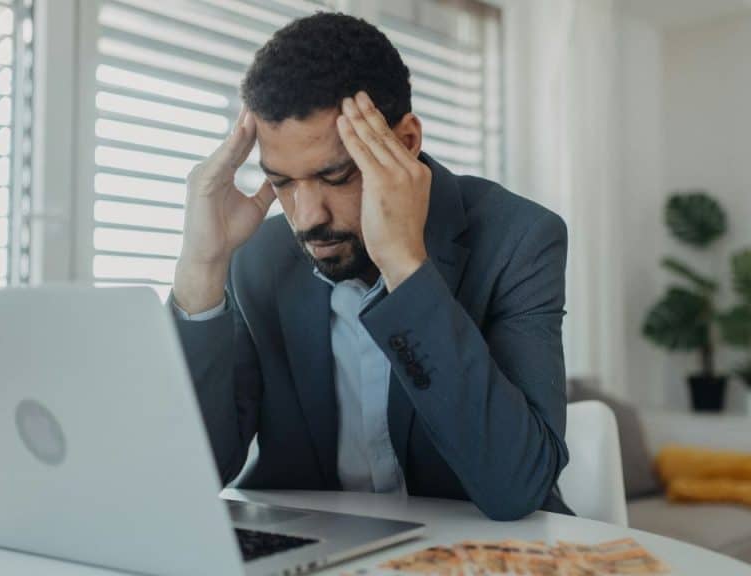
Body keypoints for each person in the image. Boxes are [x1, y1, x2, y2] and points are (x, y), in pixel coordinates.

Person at [169, 12, 570, 521]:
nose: (307, 217)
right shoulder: (257, 259)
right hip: (315, 551)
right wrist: (203, 269)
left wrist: (405, 267)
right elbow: (192, 474)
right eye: (283, 183)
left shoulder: (520, 238)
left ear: (404, 144)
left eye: (336, 176)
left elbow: (518, 488)